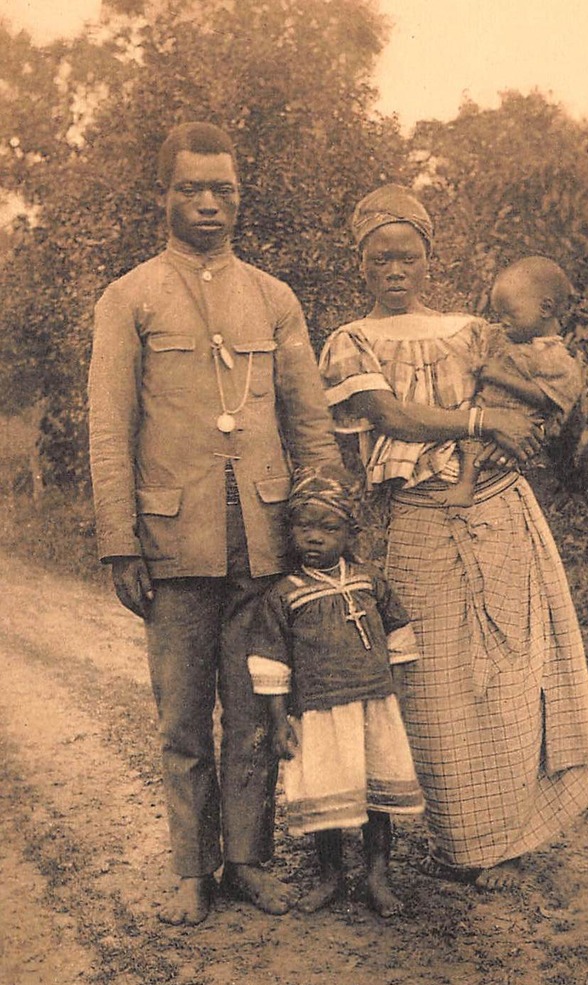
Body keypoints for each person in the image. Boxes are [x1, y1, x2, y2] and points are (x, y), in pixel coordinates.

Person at [88, 122, 344, 925]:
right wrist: (120, 541)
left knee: (258, 711)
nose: (208, 204)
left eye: (223, 189)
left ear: (240, 194)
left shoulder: (273, 298)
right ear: (162, 195)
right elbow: (109, 427)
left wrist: (325, 522)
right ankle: (190, 872)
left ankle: (248, 861)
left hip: (266, 542)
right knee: (181, 718)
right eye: (191, 189)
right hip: (171, 545)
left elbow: (309, 426)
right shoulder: (129, 297)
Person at [319, 184, 588, 893]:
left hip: (501, 512)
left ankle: (506, 838)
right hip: (418, 517)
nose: (394, 270)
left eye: (407, 256)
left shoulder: (471, 329)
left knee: (510, 672)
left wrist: (527, 427)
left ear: (428, 258)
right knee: (436, 682)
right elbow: (390, 414)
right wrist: (480, 427)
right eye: (380, 257)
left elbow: (536, 391)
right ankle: (462, 838)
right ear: (361, 263)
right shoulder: (348, 342)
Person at [247, 469, 424, 917]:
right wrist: (278, 723)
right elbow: (271, 663)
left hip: (373, 708)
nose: (315, 537)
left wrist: (395, 698)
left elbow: (400, 636)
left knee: (375, 797)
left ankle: (377, 877)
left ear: (349, 533)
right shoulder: (284, 595)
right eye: (305, 526)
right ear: (290, 531)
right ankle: (330, 877)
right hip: (319, 714)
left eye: (329, 528)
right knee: (329, 797)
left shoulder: (369, 581)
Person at [443, 256, 583, 507]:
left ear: (546, 309)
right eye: (499, 314)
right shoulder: (503, 337)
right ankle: (465, 488)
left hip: (521, 426)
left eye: (511, 314)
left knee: (513, 473)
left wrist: (499, 377)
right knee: (471, 445)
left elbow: (548, 398)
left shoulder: (556, 359)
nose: (503, 321)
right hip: (486, 418)